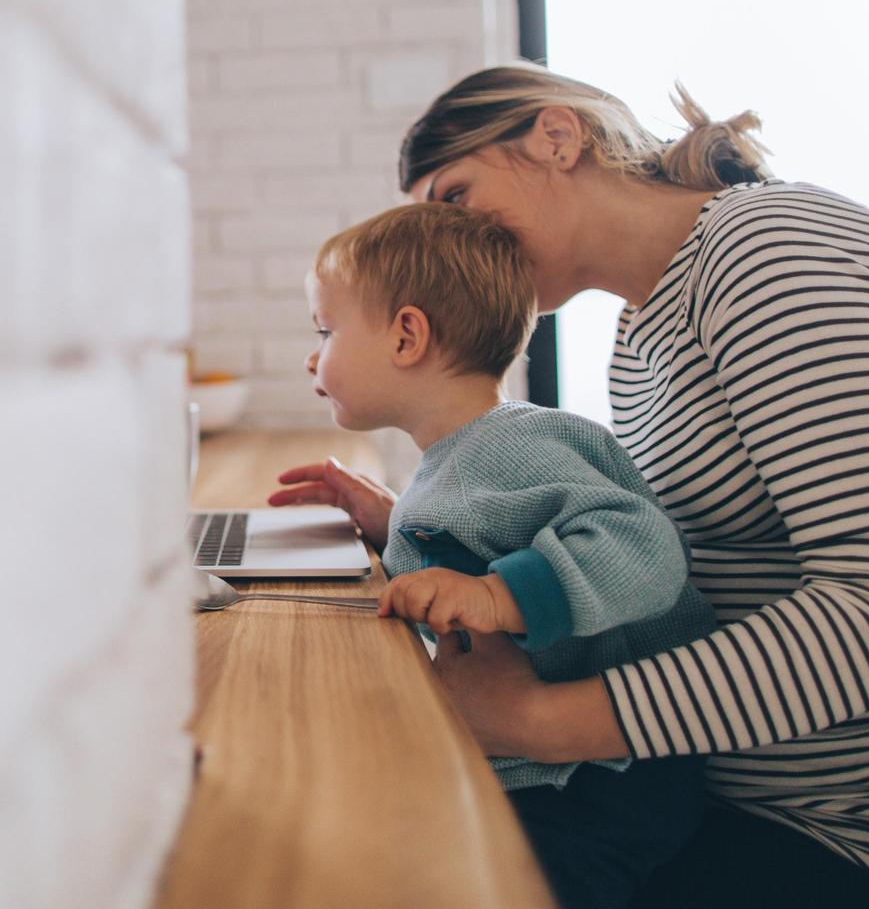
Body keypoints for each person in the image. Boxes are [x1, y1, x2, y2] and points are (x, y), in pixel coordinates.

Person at [277, 61, 869, 909]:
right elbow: (652, 556)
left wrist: (535, 725)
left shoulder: (769, 253)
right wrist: (421, 522)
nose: (446, 241)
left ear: (557, 138)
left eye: (454, 197)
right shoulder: (641, 335)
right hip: (747, 798)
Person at [273, 201, 716, 909]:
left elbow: (643, 548)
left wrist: (497, 599)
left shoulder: (519, 443)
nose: (310, 356)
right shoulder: (464, 455)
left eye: (325, 331)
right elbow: (485, 535)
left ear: (407, 336)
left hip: (598, 784)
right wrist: (392, 526)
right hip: (551, 773)